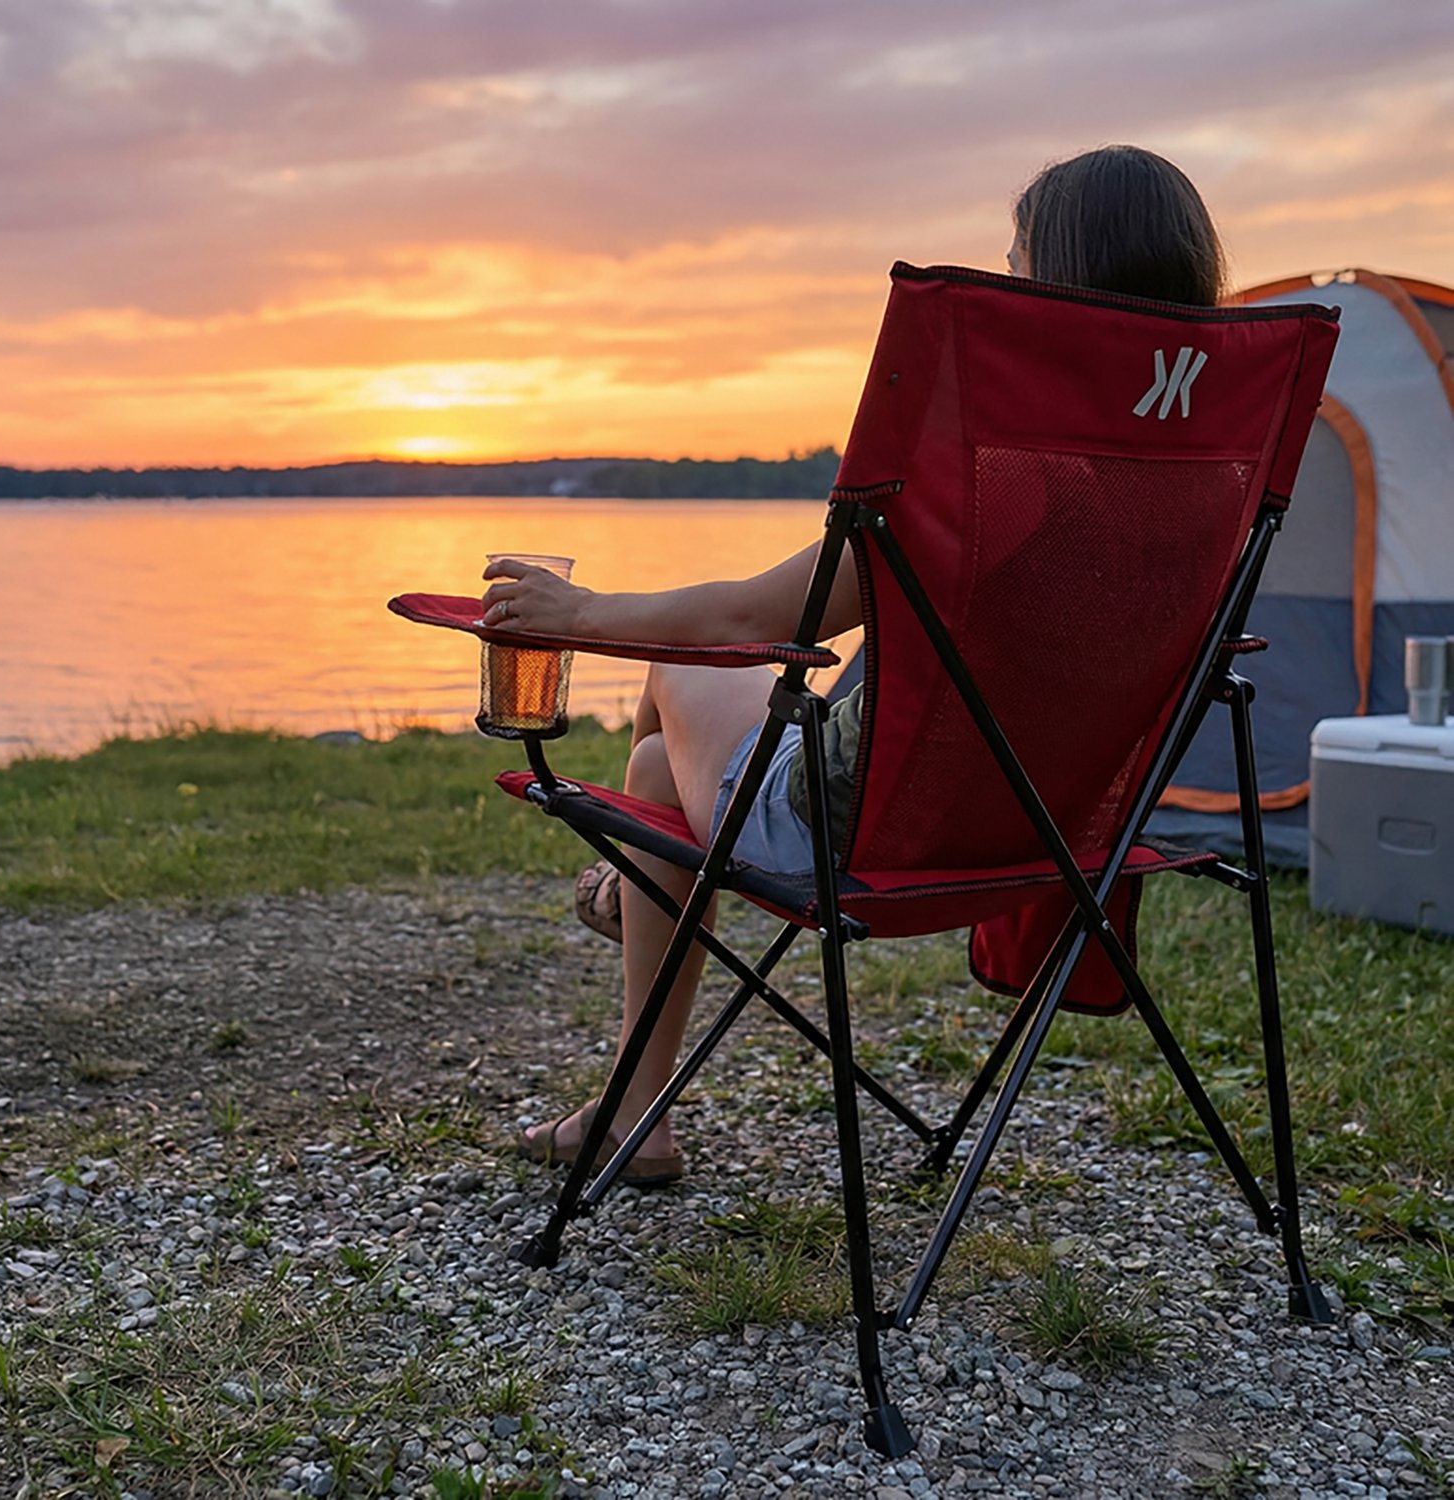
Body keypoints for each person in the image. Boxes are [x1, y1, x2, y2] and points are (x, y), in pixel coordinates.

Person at [483, 144, 1226, 1184]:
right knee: (653, 788)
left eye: (1015, 270)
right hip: (1046, 845)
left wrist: (581, 612)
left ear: (1050, 288)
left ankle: (626, 889)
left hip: (860, 837)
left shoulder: (997, 478)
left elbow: (755, 612)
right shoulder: (1203, 490)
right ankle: (633, 1113)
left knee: (675, 681)